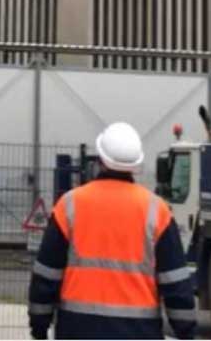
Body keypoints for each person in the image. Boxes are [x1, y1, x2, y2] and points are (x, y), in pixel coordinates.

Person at [29, 121, 195, 339]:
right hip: (139, 331)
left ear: (100, 159)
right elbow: (175, 282)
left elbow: (47, 273)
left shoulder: (70, 205)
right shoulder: (157, 211)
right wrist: (186, 332)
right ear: (136, 164)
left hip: (77, 328)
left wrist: (39, 326)